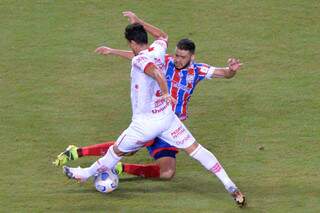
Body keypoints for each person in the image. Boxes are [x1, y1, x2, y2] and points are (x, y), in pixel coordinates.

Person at [62, 12, 246, 208]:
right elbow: (163, 37)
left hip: (146, 123)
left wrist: (231, 71)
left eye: (183, 57)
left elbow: (153, 69)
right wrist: (133, 28)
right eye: (176, 54)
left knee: (118, 151)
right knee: (198, 151)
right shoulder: (161, 54)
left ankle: (84, 173)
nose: (177, 59)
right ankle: (232, 187)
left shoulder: (165, 65)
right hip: (167, 118)